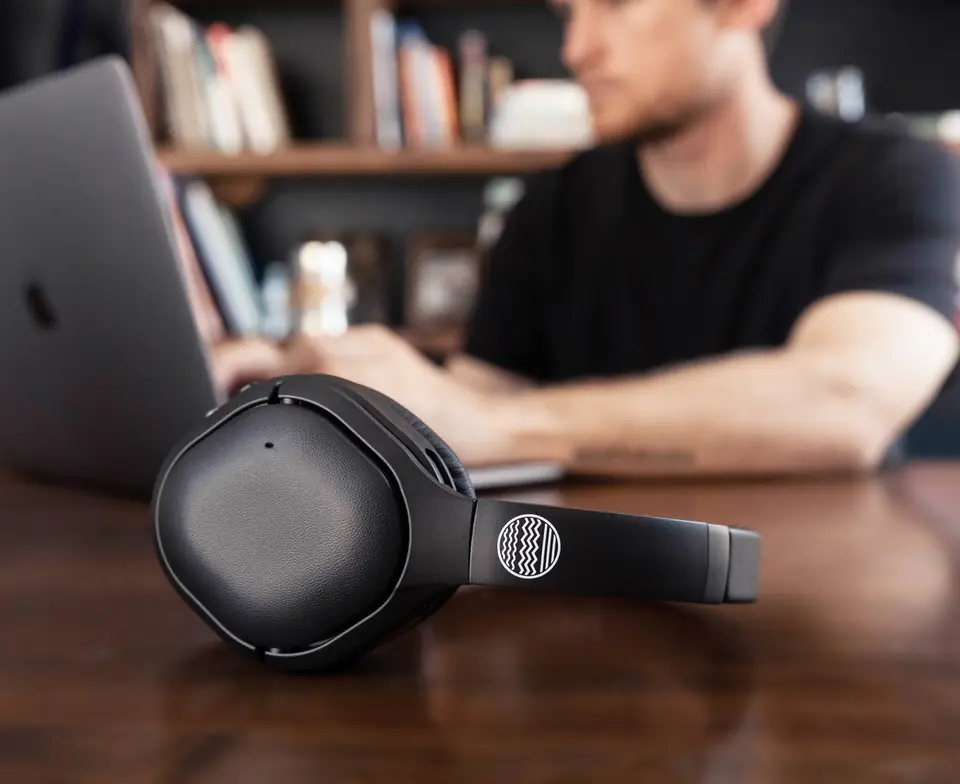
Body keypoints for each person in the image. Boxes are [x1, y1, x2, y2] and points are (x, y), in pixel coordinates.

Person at [212, 0, 960, 478]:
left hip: (832, 610)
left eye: (614, 5)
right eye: (568, 12)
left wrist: (494, 425)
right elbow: (465, 409)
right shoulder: (550, 208)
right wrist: (322, 385)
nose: (575, 48)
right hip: (588, 604)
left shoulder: (899, 175)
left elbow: (850, 400)